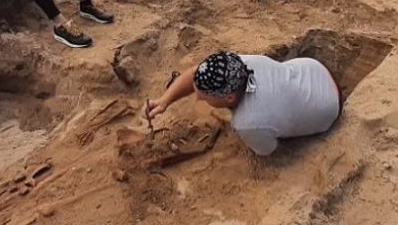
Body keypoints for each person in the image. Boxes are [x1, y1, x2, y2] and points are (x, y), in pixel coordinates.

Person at [146, 50, 341, 155]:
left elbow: (269, 151)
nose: (198, 98)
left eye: (205, 97)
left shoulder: (249, 123)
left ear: (229, 97)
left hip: (327, 109)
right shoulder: (240, 64)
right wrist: (164, 101)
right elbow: (194, 74)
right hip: (314, 71)